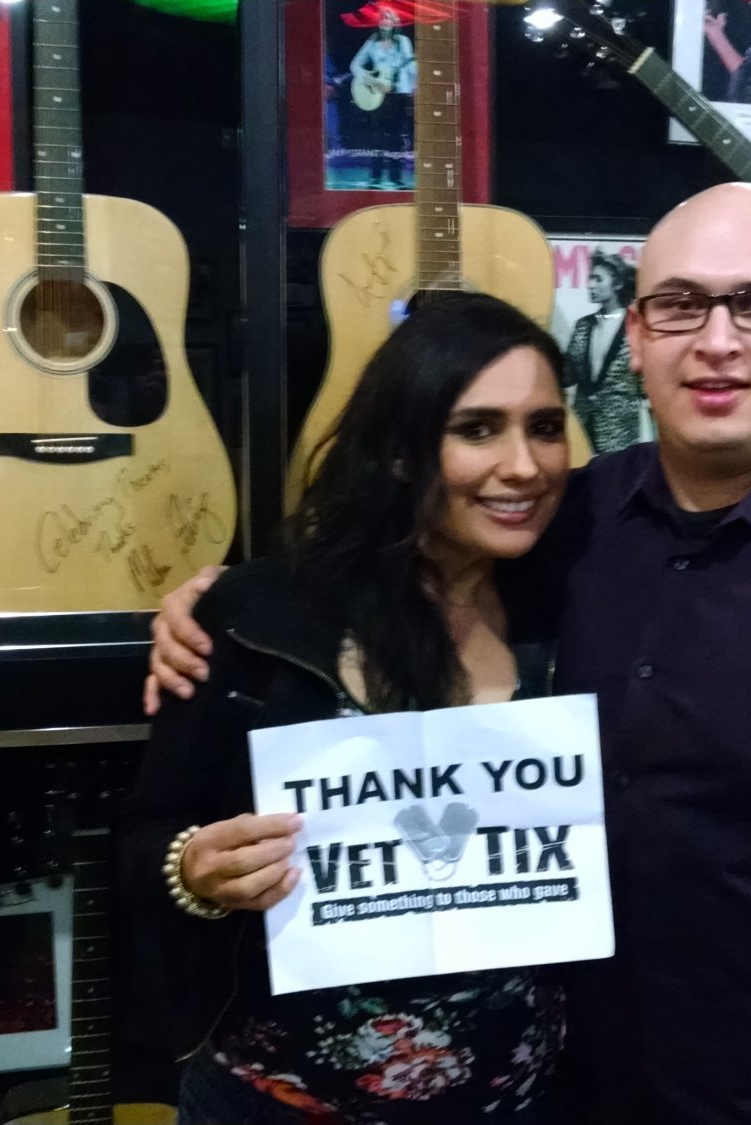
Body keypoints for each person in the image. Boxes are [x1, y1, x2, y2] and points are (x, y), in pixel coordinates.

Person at [147, 183, 751, 1123]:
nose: (717, 339)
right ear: (638, 335)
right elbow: (399, 556)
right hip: (571, 1092)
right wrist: (223, 600)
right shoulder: (570, 519)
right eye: (681, 304)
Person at [123, 293, 572, 1125]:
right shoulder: (259, 615)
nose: (523, 464)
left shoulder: (581, 609)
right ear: (400, 450)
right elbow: (148, 832)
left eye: (545, 427)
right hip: (272, 1104)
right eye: (477, 429)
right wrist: (195, 870)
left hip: (520, 1103)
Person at [560, 254, 643, 453]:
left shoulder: (637, 326)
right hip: (582, 430)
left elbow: (647, 383)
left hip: (620, 434)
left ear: (618, 284)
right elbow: (568, 373)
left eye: (598, 279)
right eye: (590, 278)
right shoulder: (583, 325)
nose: (590, 285)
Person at [348, 6, 415, 190]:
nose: (386, 21)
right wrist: (372, 80)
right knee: (377, 136)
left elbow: (410, 66)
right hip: (378, 94)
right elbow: (355, 65)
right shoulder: (372, 43)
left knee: (396, 136)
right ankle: (375, 177)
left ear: (395, 23)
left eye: (389, 18)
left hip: (399, 93)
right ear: (379, 22)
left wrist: (414, 83)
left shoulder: (403, 42)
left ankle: (396, 178)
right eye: (383, 18)